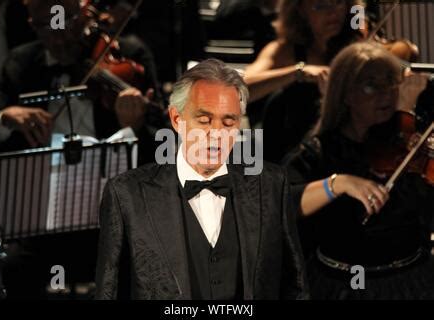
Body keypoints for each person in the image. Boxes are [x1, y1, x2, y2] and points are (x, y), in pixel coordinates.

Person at [95, 58, 392, 300]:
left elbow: (292, 284)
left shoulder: (271, 186)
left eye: (229, 120)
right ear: (176, 120)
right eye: (203, 119)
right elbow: (110, 289)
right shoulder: (126, 193)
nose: (217, 133)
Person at [284, 42, 434, 299]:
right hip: (341, 286)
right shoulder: (321, 150)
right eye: (370, 85)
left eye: (390, 82)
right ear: (345, 94)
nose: (385, 93)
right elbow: (283, 203)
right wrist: (337, 184)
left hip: (413, 280)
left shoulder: (411, 143)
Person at [0, 0, 164, 164]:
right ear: (32, 24)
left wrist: (134, 128)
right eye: (45, 25)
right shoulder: (20, 63)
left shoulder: (129, 53)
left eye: (68, 21)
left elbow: (163, 140)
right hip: (39, 181)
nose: (59, 38)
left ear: (84, 13)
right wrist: (5, 118)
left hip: (112, 179)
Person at [244, 0, 364, 162]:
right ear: (300, 10)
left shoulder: (358, 47)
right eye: (321, 6)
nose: (333, 12)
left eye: (339, 3)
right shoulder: (284, 51)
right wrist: (298, 71)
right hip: (294, 154)